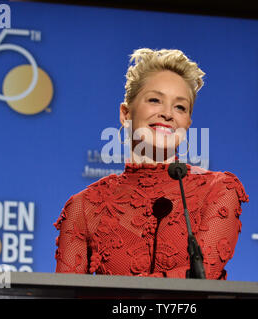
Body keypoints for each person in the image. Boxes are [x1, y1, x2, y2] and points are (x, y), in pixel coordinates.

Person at [54, 48, 248, 279]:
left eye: (180, 107)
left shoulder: (218, 189)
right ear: (126, 114)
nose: (167, 114)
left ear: (187, 122)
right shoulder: (84, 206)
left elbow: (204, 274)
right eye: (155, 100)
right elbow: (68, 293)